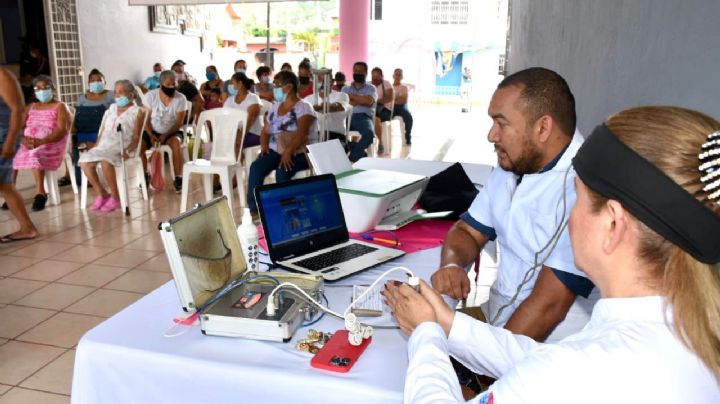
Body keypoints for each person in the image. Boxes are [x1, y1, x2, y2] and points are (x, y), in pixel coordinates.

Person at [386, 106, 720, 403]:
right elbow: (546, 360)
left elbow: (557, 372)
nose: (571, 215)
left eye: (579, 200)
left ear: (613, 224)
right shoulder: (688, 331)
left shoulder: (569, 373)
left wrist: (425, 335)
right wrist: (447, 324)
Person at [431, 67, 598, 345]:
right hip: (499, 326)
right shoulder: (514, 165)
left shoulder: (582, 190)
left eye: (501, 123)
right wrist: (452, 264)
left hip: (546, 351)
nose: (491, 135)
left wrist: (483, 374)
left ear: (543, 128)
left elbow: (549, 306)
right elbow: (468, 231)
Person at [246, 71, 317, 214]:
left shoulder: (304, 107)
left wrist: (288, 152)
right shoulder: (275, 107)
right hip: (277, 150)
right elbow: (265, 131)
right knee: (256, 167)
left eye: (278, 85)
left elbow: (302, 134)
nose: (275, 88)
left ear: (289, 87)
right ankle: (254, 210)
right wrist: (264, 146)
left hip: (299, 152)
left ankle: (288, 209)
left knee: (282, 172)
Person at [79, 80, 145, 212]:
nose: (117, 95)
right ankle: (102, 194)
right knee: (85, 162)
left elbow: (137, 137)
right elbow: (102, 130)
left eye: (121, 92)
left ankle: (115, 197)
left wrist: (128, 150)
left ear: (131, 95)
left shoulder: (137, 112)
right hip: (104, 145)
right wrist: (97, 146)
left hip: (122, 147)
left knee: (105, 161)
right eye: (116, 92)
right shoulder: (111, 108)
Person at [12, 75, 71, 212]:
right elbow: (19, 127)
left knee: (35, 153)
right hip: (30, 141)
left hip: (51, 143)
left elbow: (61, 131)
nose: (41, 91)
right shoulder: (30, 107)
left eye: (45, 88)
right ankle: (12, 193)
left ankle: (40, 193)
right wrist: (23, 139)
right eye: (38, 88)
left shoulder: (60, 106)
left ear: (53, 89)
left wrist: (41, 141)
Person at [0, 67, 38, 242]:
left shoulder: (2, 75)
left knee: (4, 186)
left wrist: (10, 141)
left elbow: (18, 110)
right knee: (5, 186)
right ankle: (27, 228)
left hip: (4, 136)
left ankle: (28, 228)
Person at [140, 70, 188, 193]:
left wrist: (165, 135)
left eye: (174, 84)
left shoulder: (180, 98)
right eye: (168, 85)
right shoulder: (150, 97)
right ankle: (145, 174)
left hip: (172, 131)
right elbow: (145, 119)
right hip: (152, 130)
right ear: (161, 84)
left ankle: (178, 178)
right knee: (140, 146)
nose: (171, 87)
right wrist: (151, 135)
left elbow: (179, 123)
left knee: (176, 143)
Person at [342, 61, 377, 162]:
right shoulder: (345, 88)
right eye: (355, 71)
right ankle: (359, 151)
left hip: (363, 117)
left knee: (369, 134)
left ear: (366, 73)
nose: (357, 73)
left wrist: (351, 97)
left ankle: (352, 159)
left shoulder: (371, 88)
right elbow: (343, 103)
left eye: (360, 71)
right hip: (346, 117)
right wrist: (361, 99)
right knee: (331, 133)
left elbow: (368, 101)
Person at [303, 73, 349, 148]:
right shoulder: (308, 99)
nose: (322, 83)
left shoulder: (342, 95)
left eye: (325, 80)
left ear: (332, 81)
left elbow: (336, 107)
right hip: (314, 137)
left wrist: (315, 108)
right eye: (319, 80)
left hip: (335, 137)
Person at [224, 72, 263, 151]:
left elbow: (250, 121)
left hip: (253, 133)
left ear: (240, 83)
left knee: (235, 142)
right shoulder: (230, 100)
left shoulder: (253, 98)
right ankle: (232, 162)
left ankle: (237, 162)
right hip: (235, 132)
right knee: (223, 140)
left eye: (232, 83)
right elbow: (225, 119)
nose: (230, 85)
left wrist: (239, 138)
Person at [371, 67, 394, 154]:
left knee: (375, 118)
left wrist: (375, 101)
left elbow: (389, 98)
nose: (375, 78)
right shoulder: (369, 84)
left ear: (382, 76)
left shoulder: (386, 84)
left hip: (385, 110)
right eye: (373, 75)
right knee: (372, 118)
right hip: (372, 109)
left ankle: (381, 142)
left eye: (377, 76)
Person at [392, 68, 414, 145]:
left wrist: (393, 99)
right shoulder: (389, 87)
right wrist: (398, 97)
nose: (398, 76)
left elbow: (404, 100)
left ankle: (408, 135)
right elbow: (387, 100)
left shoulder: (404, 87)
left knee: (408, 116)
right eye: (396, 74)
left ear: (402, 77)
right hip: (391, 107)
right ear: (393, 76)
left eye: (400, 75)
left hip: (402, 106)